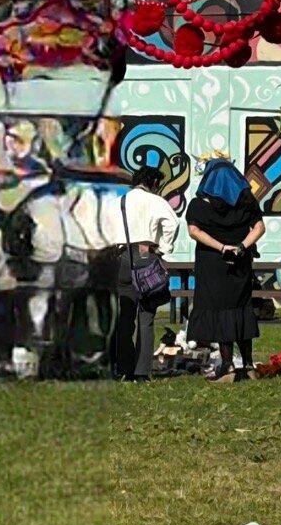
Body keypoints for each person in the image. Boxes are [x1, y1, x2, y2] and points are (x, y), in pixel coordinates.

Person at [185, 156, 264, 381]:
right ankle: (248, 365)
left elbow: (194, 231)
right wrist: (241, 247)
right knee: (240, 308)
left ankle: (227, 366)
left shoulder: (199, 204)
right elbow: (259, 227)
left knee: (220, 313)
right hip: (240, 263)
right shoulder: (247, 201)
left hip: (212, 264)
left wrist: (222, 247)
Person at [112, 162, 180, 381]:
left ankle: (124, 369)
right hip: (146, 255)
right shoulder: (155, 201)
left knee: (124, 317)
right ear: (153, 182)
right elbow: (172, 222)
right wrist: (163, 249)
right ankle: (142, 371)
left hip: (121, 257)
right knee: (146, 317)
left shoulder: (118, 202)